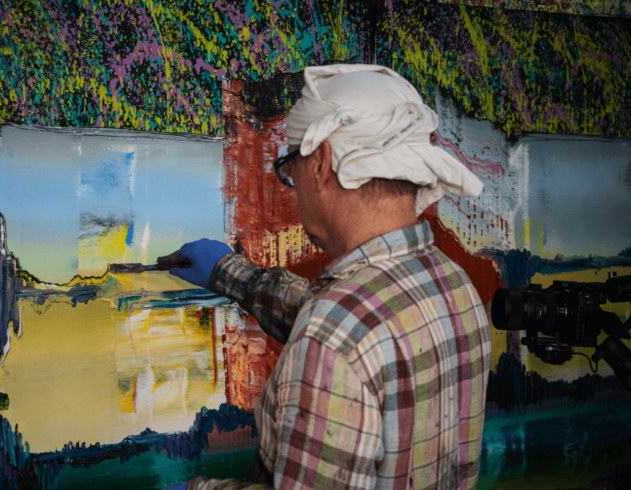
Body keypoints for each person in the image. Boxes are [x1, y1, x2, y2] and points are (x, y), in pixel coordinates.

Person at [159, 64, 492, 490]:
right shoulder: (454, 285)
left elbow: (336, 332)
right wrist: (230, 273)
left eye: (290, 170)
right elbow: (349, 319)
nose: (293, 186)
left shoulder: (332, 337)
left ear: (320, 163)